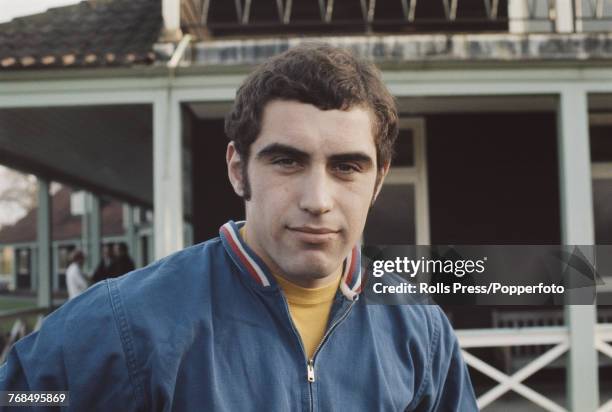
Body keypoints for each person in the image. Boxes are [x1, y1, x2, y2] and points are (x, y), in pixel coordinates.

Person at [0, 44, 478, 410]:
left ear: (378, 179)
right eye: (287, 161)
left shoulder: (421, 327)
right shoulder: (126, 321)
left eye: (347, 167)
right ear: (237, 168)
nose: (318, 201)